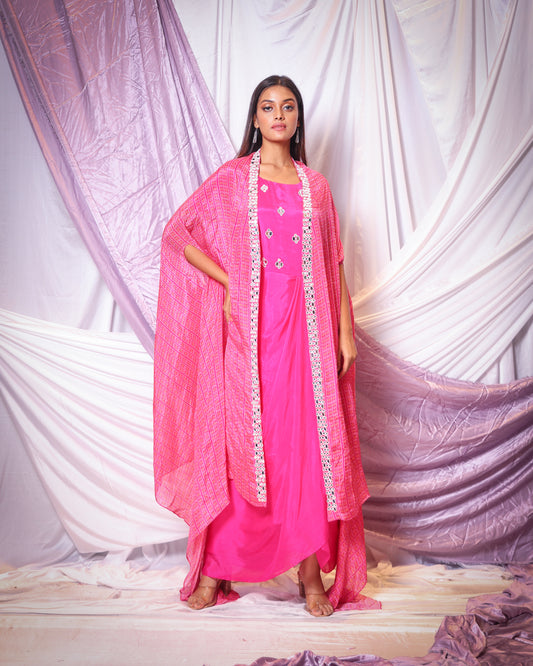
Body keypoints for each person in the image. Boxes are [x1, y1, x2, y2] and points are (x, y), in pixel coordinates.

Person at [153, 75, 378, 616]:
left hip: (308, 333)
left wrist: (345, 332)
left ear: (297, 119)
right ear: (255, 119)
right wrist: (230, 281)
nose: (279, 114)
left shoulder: (315, 187)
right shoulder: (232, 180)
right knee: (245, 446)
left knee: (303, 447)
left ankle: (310, 574)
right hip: (250, 333)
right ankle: (216, 569)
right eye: (268, 106)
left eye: (288, 106)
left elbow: (334, 263)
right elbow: (178, 234)